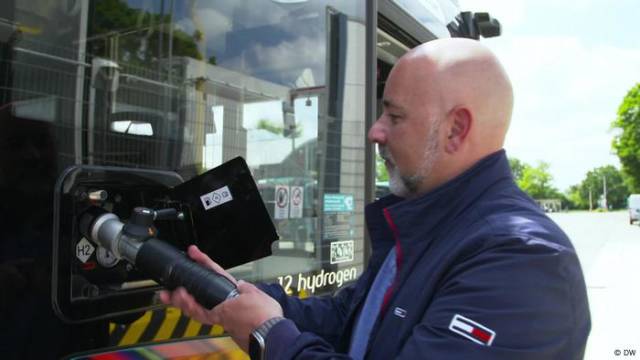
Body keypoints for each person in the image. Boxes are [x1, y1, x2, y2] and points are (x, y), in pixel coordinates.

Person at [160, 38, 591, 359]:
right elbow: (347, 321)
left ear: (456, 129)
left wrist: (268, 333)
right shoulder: (430, 229)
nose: (375, 131)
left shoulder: (522, 260)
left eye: (395, 116)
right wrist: (234, 296)